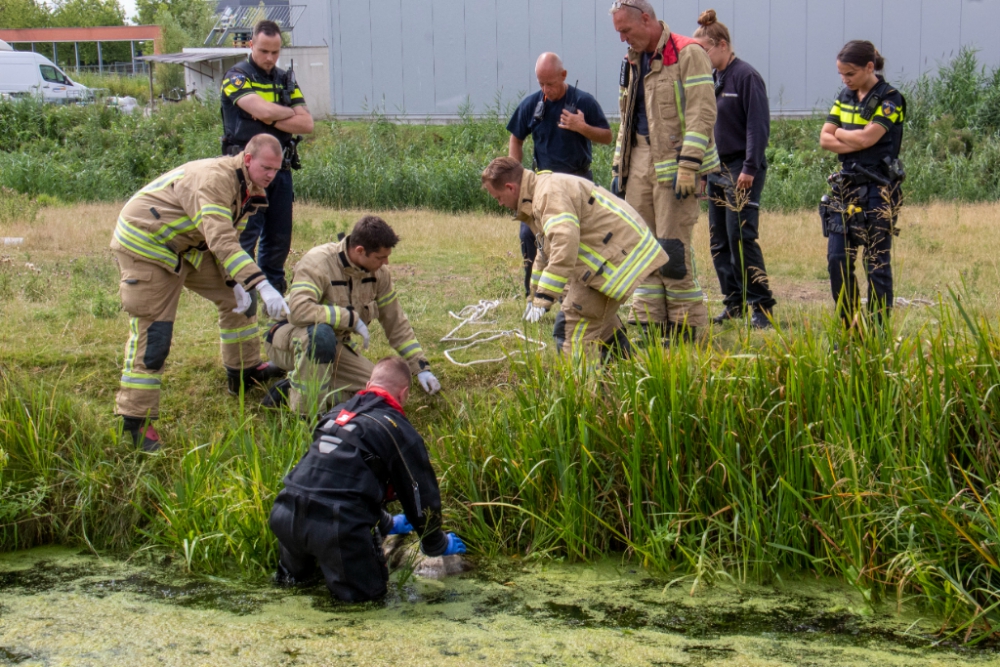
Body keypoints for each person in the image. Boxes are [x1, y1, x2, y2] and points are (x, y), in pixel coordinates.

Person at [111, 134, 290, 451]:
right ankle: (136, 420)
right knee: (155, 334)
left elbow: (229, 237)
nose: (271, 176)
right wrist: (262, 284)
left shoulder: (251, 185)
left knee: (238, 301)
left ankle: (244, 371)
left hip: (188, 245)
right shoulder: (214, 180)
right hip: (148, 244)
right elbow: (221, 239)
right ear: (248, 159)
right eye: (266, 168)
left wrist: (237, 281)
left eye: (276, 170)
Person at [269, 356, 466, 602]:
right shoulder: (396, 429)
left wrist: (386, 523)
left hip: (286, 511)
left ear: (368, 382)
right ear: (404, 394)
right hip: (336, 526)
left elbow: (332, 478)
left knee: (292, 594)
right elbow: (419, 492)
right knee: (364, 608)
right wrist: (436, 543)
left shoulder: (334, 416)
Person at [481, 157, 668, 360]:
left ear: (510, 188)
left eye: (498, 197)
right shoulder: (538, 194)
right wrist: (534, 297)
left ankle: (582, 390)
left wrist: (544, 298)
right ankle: (630, 376)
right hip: (618, 254)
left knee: (571, 326)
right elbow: (545, 254)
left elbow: (564, 244)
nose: (500, 203)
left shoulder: (547, 195)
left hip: (620, 257)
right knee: (603, 328)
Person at [610, 0, 719, 347]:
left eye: (626, 30)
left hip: (675, 164)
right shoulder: (632, 59)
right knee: (642, 246)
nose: (623, 39)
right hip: (639, 160)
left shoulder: (688, 53)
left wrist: (689, 164)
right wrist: (620, 168)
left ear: (646, 19)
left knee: (672, 247)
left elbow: (702, 112)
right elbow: (626, 119)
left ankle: (685, 326)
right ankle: (648, 321)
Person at [263, 215, 441, 415]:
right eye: (380, 257)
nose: (386, 262)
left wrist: (421, 367)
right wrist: (350, 319)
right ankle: (306, 416)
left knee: (380, 393)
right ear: (360, 251)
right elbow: (298, 311)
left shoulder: (379, 274)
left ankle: (290, 388)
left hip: (334, 345)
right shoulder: (318, 263)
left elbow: (396, 323)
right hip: (289, 337)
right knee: (320, 336)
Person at [507, 52, 613, 315]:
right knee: (529, 236)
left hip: (577, 185)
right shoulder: (532, 104)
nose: (545, 90)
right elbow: (516, 138)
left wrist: (582, 127)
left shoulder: (583, 102)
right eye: (540, 84)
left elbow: (607, 136)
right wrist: (517, 175)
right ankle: (533, 298)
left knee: (576, 242)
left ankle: (578, 300)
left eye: (550, 84)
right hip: (542, 186)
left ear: (563, 76)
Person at [693, 10, 775, 330]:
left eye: (704, 51)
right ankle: (734, 302)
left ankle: (761, 305)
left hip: (742, 167)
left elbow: (757, 126)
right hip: (715, 166)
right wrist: (700, 170)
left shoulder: (746, 76)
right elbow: (704, 127)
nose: (701, 57)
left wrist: (751, 168)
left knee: (741, 236)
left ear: (722, 45)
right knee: (719, 241)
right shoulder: (712, 79)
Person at [221, 19, 314, 295]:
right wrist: (285, 113)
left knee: (279, 238)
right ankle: (241, 292)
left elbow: (307, 124)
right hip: (247, 171)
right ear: (251, 45)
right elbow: (261, 110)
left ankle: (273, 294)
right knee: (247, 233)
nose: (270, 58)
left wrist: (269, 114)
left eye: (275, 52)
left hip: (281, 169)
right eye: (263, 51)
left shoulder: (285, 78)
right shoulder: (237, 75)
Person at [819, 40, 905, 328]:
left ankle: (879, 331)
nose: (845, 80)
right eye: (842, 75)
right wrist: (853, 136)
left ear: (870, 67)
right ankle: (850, 327)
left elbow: (869, 139)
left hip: (878, 190)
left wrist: (841, 135)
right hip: (845, 188)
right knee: (836, 260)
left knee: (876, 265)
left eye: (851, 74)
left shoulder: (891, 99)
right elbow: (824, 139)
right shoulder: (845, 96)